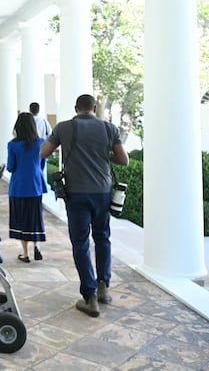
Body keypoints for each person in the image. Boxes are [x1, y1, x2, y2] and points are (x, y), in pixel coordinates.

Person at [40, 94, 129, 318]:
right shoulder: (110, 128)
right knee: (102, 238)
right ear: (95, 108)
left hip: (77, 193)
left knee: (80, 243)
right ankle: (104, 288)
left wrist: (68, 148)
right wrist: (103, 153)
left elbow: (43, 152)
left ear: (75, 108)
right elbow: (123, 159)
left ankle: (89, 297)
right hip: (102, 192)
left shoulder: (64, 127)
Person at [7, 113, 46, 262]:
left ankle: (25, 253)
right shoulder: (41, 142)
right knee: (35, 216)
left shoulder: (13, 145)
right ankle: (37, 247)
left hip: (19, 186)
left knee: (21, 218)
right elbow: (42, 165)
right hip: (35, 184)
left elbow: (11, 167)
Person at [30, 102, 52, 191]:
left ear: (30, 110)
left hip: (29, 147)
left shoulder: (28, 121)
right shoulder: (44, 121)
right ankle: (41, 186)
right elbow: (50, 134)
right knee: (41, 169)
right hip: (41, 147)